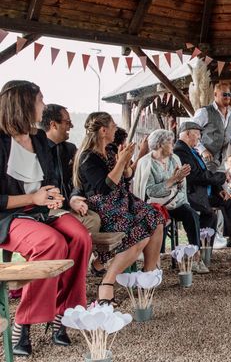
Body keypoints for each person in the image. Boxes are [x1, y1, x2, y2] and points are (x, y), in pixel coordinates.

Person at [0, 81, 92, 356]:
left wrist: (55, 196)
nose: (43, 105)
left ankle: (62, 315)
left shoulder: (40, 139)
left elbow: (50, 178)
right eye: (40, 100)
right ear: (24, 104)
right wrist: (33, 199)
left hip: (42, 210)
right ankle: (23, 322)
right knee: (52, 243)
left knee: (80, 237)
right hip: (9, 215)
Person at [74, 112, 165, 306]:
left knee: (156, 217)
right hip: (103, 205)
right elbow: (105, 187)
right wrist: (122, 161)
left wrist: (125, 166)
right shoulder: (87, 158)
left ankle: (147, 276)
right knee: (139, 232)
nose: (116, 128)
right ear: (103, 130)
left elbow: (126, 177)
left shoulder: (111, 149)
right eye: (113, 125)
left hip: (123, 199)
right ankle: (107, 282)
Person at [132, 129, 209, 274]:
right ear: (161, 144)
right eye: (170, 142)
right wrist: (173, 180)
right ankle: (154, 260)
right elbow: (150, 192)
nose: (173, 145)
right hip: (154, 205)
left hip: (175, 201)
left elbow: (182, 187)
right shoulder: (146, 163)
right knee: (159, 217)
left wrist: (177, 192)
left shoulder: (175, 159)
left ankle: (195, 255)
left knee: (191, 214)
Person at [173, 121, 231, 248]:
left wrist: (218, 189)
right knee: (210, 214)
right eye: (197, 134)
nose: (199, 137)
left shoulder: (190, 150)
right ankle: (202, 247)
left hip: (202, 193)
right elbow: (195, 177)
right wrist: (222, 177)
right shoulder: (180, 151)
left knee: (226, 200)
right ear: (188, 134)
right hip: (192, 195)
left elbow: (204, 172)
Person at [40, 104, 101, 233]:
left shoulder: (70, 149)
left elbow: (78, 180)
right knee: (91, 222)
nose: (71, 126)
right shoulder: (36, 150)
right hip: (45, 208)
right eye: (67, 122)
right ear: (53, 125)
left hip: (69, 206)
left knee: (94, 217)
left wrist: (74, 197)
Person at [193, 81, 231, 172]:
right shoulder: (204, 112)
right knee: (209, 185)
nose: (227, 97)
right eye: (224, 94)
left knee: (222, 185)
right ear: (215, 94)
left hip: (222, 160)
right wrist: (202, 150)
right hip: (205, 160)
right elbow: (191, 132)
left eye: (229, 94)